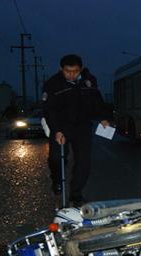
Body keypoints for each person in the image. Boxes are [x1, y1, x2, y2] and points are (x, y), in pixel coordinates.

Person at [42, 54, 112, 207]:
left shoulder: (88, 80)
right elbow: (50, 110)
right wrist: (57, 130)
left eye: (76, 71)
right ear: (61, 69)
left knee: (83, 162)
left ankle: (76, 193)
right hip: (61, 126)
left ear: (80, 69)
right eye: (68, 71)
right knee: (56, 158)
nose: (72, 75)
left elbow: (96, 100)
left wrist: (103, 117)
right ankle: (57, 180)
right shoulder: (52, 84)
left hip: (82, 127)